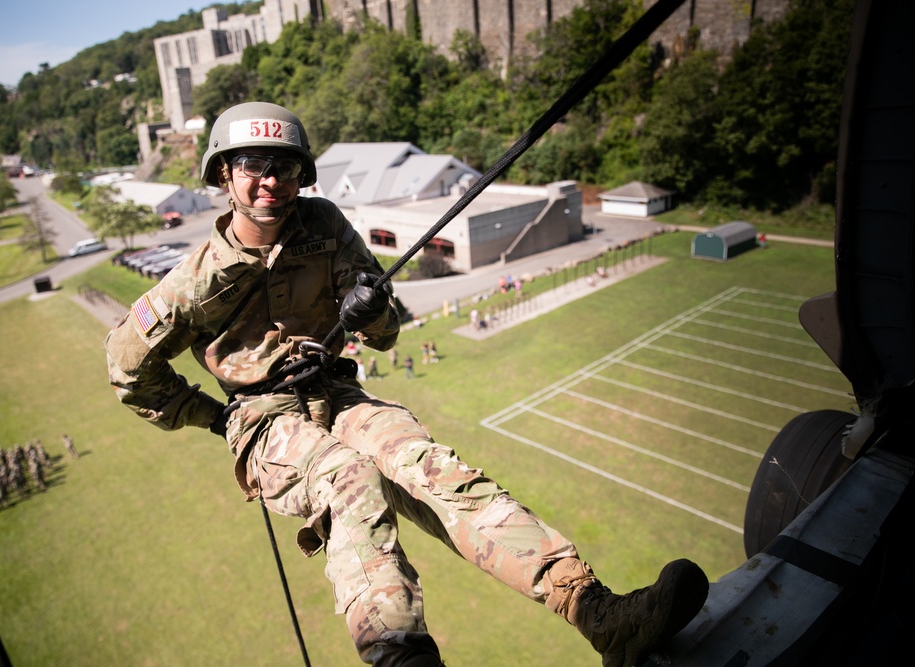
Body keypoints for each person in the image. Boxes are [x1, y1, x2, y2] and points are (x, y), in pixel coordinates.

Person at [104, 102, 708, 667]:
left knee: (431, 466)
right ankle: (401, 655)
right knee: (348, 478)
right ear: (224, 176)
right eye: (254, 167)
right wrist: (215, 419)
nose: (271, 180)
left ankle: (598, 614)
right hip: (264, 420)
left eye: (285, 166)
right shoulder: (191, 282)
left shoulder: (325, 224)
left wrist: (372, 312)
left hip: (336, 393)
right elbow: (128, 369)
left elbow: (387, 333)